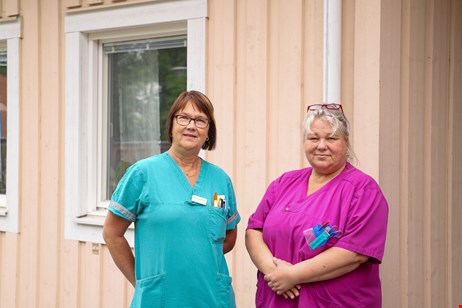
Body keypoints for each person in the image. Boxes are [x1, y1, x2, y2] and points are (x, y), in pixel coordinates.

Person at [103, 90, 241, 308]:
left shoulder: (220, 180)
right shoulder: (142, 174)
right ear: (171, 126)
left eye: (201, 120)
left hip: (212, 298)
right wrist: (141, 283)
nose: (191, 126)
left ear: (208, 133)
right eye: (183, 117)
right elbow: (112, 234)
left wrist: (195, 254)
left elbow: (230, 234)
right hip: (159, 299)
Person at [245, 103, 388, 308]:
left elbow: (355, 253)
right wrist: (274, 272)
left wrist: (293, 275)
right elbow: (254, 230)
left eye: (331, 138)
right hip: (277, 299)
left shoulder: (364, 191)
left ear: (346, 143)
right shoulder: (284, 183)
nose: (321, 145)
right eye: (313, 138)